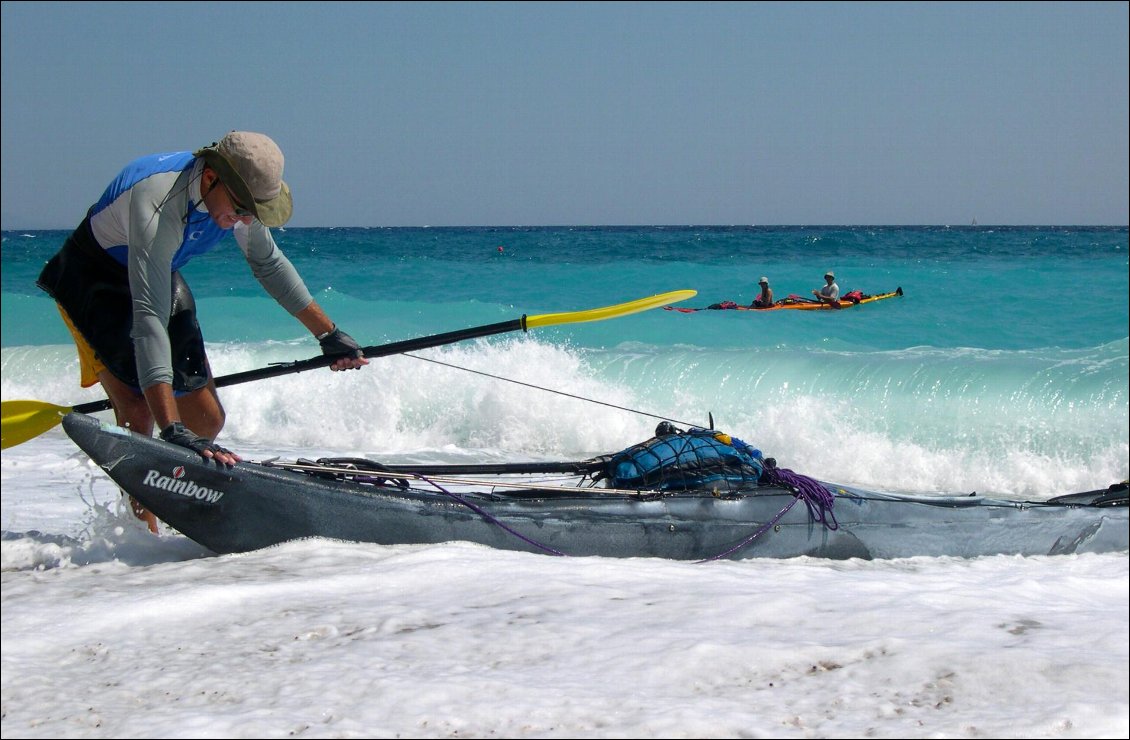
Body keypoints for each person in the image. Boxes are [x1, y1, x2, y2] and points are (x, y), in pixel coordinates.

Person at [36, 131, 369, 531]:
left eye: (254, 211)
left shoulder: (237, 202)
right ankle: (140, 534)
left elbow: (268, 264)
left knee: (207, 421)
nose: (245, 219)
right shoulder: (158, 200)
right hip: (92, 279)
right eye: (242, 208)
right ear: (210, 178)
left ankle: (184, 519)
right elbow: (148, 317)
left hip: (157, 272)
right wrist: (171, 430)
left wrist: (328, 334)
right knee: (141, 412)